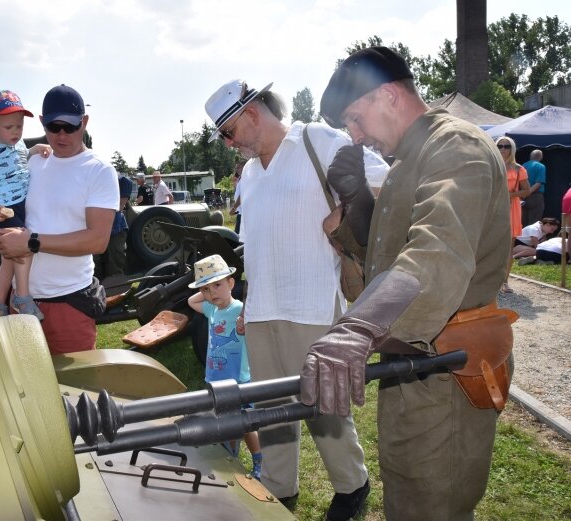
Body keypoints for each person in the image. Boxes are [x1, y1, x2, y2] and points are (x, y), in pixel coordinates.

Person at [302, 46, 511, 521]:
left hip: (448, 365)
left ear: (390, 96)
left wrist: (357, 328)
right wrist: (357, 199)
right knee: (408, 490)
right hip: (413, 357)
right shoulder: (409, 160)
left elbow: (435, 252)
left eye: (356, 119)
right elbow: (386, 255)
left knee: (433, 502)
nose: (354, 136)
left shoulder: (456, 148)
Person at [204, 78, 389, 520]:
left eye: (228, 133)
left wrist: (345, 215)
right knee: (269, 410)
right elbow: (255, 244)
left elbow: (386, 183)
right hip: (265, 308)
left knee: (324, 405)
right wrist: (249, 301)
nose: (228, 144)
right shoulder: (249, 174)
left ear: (251, 114)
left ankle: (352, 485)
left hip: (312, 302)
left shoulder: (316, 141)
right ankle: (278, 487)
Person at [0, 84, 118, 354]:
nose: (61, 135)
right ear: (41, 123)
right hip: (21, 302)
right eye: (53, 127)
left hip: (69, 305)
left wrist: (31, 243)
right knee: (23, 390)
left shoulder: (99, 171)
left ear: (84, 122)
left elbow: (97, 240)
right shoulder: (31, 162)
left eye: (70, 127)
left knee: (78, 390)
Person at [0, 90, 50, 319]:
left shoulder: (19, 144)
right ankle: (22, 297)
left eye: (19, 126)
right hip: (2, 211)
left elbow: (23, 157)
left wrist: (36, 149)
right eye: (9, 127)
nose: (15, 132)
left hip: (21, 206)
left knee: (8, 260)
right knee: (24, 249)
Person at [187, 254, 262, 480]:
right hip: (216, 378)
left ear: (231, 283)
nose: (212, 294)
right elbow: (192, 301)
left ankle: (258, 460)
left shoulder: (240, 310)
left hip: (237, 378)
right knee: (226, 423)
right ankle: (232, 456)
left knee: (246, 423)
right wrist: (209, 288)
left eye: (218, 285)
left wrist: (245, 321)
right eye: (207, 290)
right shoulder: (213, 310)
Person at [497, 135, 531, 293]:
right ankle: (486, 282)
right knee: (488, 245)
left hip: (511, 209)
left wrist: (508, 195)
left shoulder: (519, 169)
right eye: (500, 146)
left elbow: (527, 191)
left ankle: (504, 282)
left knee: (508, 248)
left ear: (512, 149)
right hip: (492, 208)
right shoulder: (492, 165)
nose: (503, 149)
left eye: (506, 146)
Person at [95, 172, 132, 279]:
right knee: (94, 263)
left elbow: (119, 205)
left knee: (114, 261)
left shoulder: (121, 181)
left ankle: (115, 291)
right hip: (95, 228)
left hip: (116, 227)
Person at [521, 149, 546, 227]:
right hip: (535, 195)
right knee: (534, 222)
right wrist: (528, 192)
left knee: (523, 220)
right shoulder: (541, 166)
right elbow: (538, 183)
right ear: (541, 157)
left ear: (530, 156)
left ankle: (521, 239)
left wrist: (523, 194)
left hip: (522, 196)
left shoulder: (522, 166)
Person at [228, 161, 245, 235]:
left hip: (243, 213)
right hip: (240, 212)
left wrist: (234, 208)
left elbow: (243, 194)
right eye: (236, 168)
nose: (236, 169)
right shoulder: (241, 178)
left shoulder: (245, 178)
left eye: (238, 167)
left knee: (238, 237)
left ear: (244, 167)